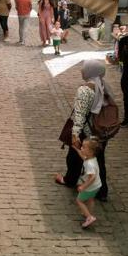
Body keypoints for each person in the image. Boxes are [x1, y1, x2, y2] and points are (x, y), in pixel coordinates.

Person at [54, 60, 109, 201]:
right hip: (100, 131)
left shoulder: (85, 90)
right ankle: (102, 192)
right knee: (99, 160)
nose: (81, 71)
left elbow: (80, 114)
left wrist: (75, 134)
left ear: (91, 71)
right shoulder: (104, 85)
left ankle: (69, 180)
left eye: (84, 69)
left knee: (73, 158)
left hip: (86, 131)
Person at [74, 139, 102, 228]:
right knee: (90, 199)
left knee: (79, 201)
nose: (81, 148)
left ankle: (89, 217)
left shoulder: (89, 164)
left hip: (90, 187)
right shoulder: (92, 158)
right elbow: (83, 157)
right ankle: (88, 212)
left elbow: (92, 177)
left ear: (90, 151)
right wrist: (76, 149)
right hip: (97, 186)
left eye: (83, 147)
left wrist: (83, 186)